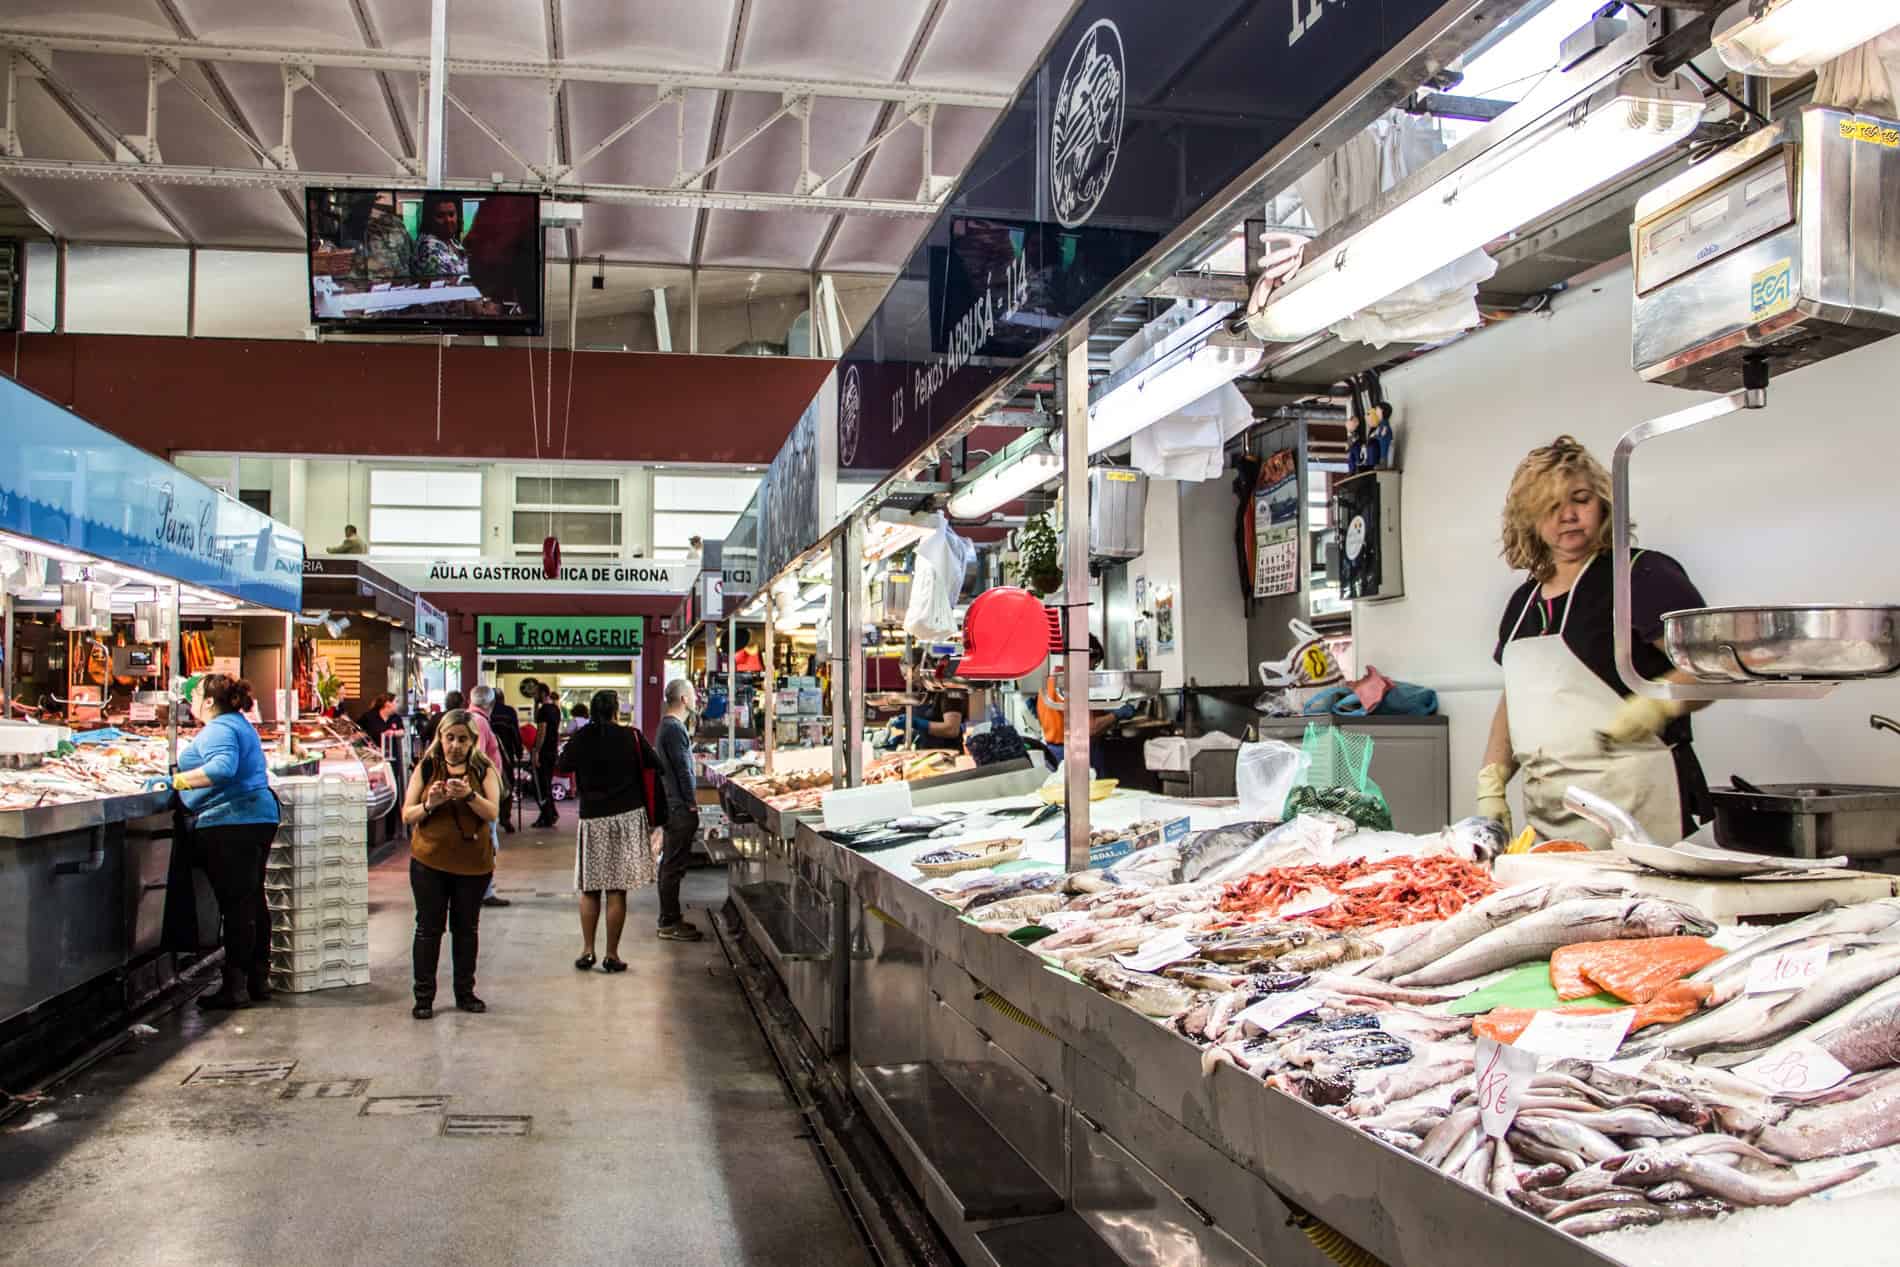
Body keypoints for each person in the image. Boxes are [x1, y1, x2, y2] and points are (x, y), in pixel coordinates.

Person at [1477, 435, 1714, 849]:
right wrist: (1491, 781)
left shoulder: (1639, 576)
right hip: (1550, 809)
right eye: (1550, 507)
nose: (1567, 515)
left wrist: (1658, 704)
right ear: (1528, 518)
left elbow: (1710, 668)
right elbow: (1513, 701)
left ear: (1604, 503)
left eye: (1580, 499)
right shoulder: (1523, 602)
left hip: (1638, 804)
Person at [158, 674, 281, 1009]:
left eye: (195, 695)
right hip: (256, 817)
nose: (192, 701)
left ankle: (236, 985)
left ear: (208, 701)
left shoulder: (220, 727)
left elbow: (223, 768)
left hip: (232, 822)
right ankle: (257, 978)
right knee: (252, 901)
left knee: (238, 906)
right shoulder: (238, 723)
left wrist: (175, 781)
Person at [555, 689, 670, 970]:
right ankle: (612, 955)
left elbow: (561, 766)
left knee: (590, 888)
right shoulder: (631, 736)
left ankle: (587, 951)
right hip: (626, 815)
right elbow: (657, 766)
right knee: (617, 890)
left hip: (593, 818)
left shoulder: (581, 738)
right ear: (616, 711)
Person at [400, 708, 501, 1018]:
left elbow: (492, 812)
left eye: (463, 739)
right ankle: (424, 997)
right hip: (429, 862)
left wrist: (469, 795)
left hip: (473, 865)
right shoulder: (427, 766)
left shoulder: (484, 769)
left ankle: (465, 993)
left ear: (473, 741)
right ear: (440, 738)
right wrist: (431, 803)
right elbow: (407, 814)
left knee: (466, 929)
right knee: (428, 929)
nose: (455, 745)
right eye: (450, 738)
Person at [655, 679, 705, 943]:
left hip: (673, 803)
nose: (696, 699)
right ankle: (668, 921)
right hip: (678, 805)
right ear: (684, 699)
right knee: (673, 865)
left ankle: (670, 918)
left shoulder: (669, 727)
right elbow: (683, 770)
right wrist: (691, 801)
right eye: (693, 695)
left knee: (672, 863)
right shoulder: (674, 729)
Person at [1036, 635, 1135, 767]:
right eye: (1094, 664)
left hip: (1054, 753)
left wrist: (1104, 711)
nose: (1093, 669)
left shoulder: (1052, 680)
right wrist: (1117, 714)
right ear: (1083, 657)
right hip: (1076, 754)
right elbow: (1090, 728)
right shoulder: (1073, 682)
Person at [458, 687, 511, 909]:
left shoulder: (470, 719)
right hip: (480, 795)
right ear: (490, 704)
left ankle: (480, 889)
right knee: (487, 840)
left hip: (476, 793)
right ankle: (482, 891)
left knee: (485, 840)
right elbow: (476, 760)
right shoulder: (479, 722)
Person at [486, 685, 523, 833]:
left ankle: (489, 817)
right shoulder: (509, 712)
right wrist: (519, 751)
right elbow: (515, 733)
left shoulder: (486, 712)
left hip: (487, 755)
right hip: (506, 755)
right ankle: (505, 818)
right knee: (507, 785)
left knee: (488, 784)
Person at [530, 682, 563, 828]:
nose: (533, 695)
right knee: (546, 784)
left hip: (544, 751)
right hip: (552, 751)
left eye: (536, 693)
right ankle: (550, 814)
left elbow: (541, 731)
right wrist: (535, 704)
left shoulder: (545, 710)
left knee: (539, 785)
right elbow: (536, 719)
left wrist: (536, 751)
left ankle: (547, 815)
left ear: (543, 693)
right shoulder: (555, 709)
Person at [413, 194, 468, 278]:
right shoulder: (428, 248)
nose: (448, 220)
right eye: (440, 216)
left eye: (451, 214)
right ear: (429, 219)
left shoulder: (452, 241)